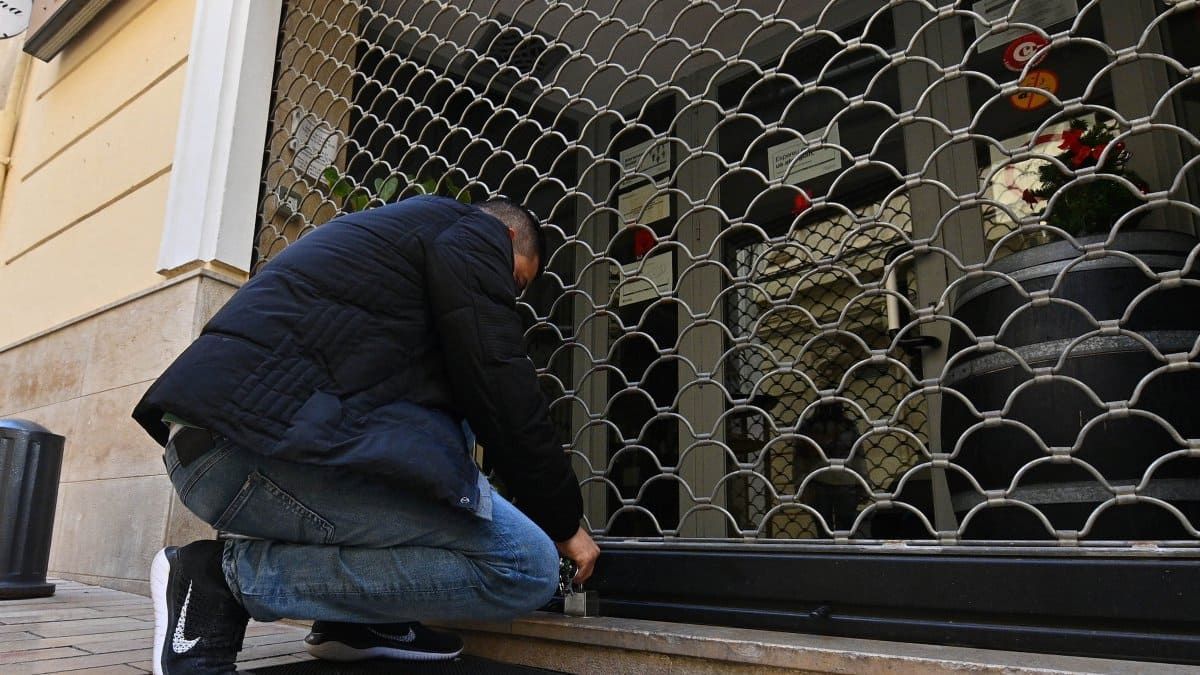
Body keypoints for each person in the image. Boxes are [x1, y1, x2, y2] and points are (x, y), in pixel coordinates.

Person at [132, 195, 600, 674]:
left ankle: (355, 621)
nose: (508, 293)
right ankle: (219, 583)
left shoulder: (402, 254)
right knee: (524, 564)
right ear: (506, 239)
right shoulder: (474, 235)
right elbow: (500, 385)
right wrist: (563, 523)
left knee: (448, 471)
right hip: (243, 450)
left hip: (220, 448)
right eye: (515, 280)